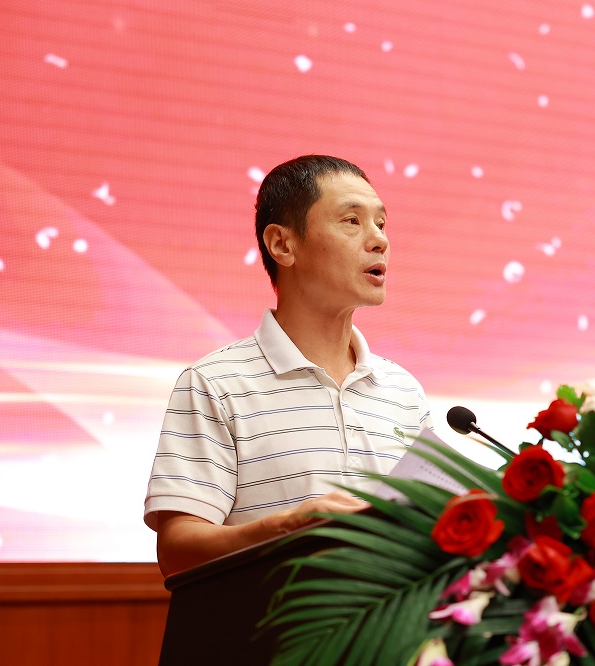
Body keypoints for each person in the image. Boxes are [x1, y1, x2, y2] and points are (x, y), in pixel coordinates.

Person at [144, 155, 432, 576]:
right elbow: (176, 551)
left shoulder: (403, 391)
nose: (379, 241)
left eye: (382, 224)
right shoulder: (215, 384)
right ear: (282, 244)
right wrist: (285, 528)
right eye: (352, 221)